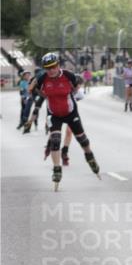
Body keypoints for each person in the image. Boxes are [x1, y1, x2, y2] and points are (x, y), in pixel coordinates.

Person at [30, 53, 100, 187]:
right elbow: (33, 90)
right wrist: (39, 91)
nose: (51, 70)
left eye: (53, 66)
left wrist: (71, 93)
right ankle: (57, 168)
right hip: (54, 113)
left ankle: (89, 156)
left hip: (70, 112)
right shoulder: (42, 78)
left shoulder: (68, 75)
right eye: (47, 68)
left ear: (58, 65)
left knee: (82, 140)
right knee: (55, 140)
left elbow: (77, 85)